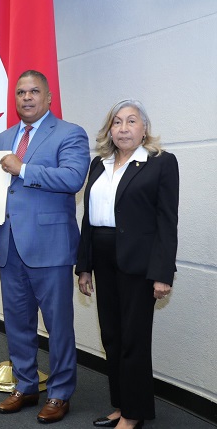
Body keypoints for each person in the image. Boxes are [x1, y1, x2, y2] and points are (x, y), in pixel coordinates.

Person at [0, 70, 89, 423]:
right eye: (20, 92)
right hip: (10, 244)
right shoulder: (4, 136)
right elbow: (1, 191)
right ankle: (24, 385)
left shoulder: (70, 134)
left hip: (50, 248)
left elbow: (72, 178)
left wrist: (23, 169)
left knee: (58, 325)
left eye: (33, 91)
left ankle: (60, 392)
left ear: (48, 96)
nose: (26, 97)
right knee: (17, 323)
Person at [75, 100, 179, 429]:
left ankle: (134, 414)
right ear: (110, 129)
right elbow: (88, 220)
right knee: (112, 337)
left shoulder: (160, 163)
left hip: (138, 265)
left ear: (144, 128)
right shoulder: (99, 164)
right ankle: (121, 405)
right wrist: (85, 266)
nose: (123, 128)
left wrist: (162, 274)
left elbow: (166, 222)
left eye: (131, 121)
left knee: (134, 339)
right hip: (103, 260)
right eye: (117, 122)